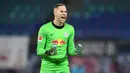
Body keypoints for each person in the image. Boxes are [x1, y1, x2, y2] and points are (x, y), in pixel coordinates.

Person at [36, 3, 83, 73]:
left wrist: (77, 51)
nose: (64, 13)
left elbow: (71, 51)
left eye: (65, 12)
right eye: (61, 11)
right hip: (48, 66)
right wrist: (48, 52)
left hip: (63, 65)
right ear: (55, 13)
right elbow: (39, 51)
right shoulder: (44, 29)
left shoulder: (70, 29)